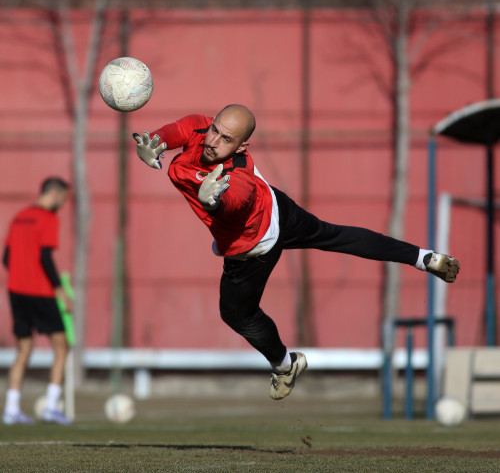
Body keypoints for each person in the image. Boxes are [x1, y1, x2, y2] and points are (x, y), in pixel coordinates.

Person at [132, 104, 460, 400]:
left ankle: (286, 365)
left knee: (236, 314)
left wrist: (213, 201)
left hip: (255, 245)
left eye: (226, 138)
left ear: (242, 146)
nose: (214, 140)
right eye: (215, 129)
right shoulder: (201, 128)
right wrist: (155, 143)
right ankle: (425, 258)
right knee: (336, 235)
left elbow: (235, 205)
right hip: (278, 207)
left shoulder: (239, 177)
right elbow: (176, 131)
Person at [2, 177, 72, 424]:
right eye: (62, 199)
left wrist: (20, 277)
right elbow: (45, 257)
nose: (62, 205)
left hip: (15, 291)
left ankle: (11, 409)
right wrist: (60, 290)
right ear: (53, 193)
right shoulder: (49, 218)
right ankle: (51, 406)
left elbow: (6, 258)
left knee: (23, 349)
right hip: (40, 292)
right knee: (62, 347)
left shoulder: (19, 216)